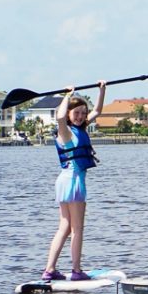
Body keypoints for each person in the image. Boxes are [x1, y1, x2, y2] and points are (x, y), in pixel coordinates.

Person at [42, 81, 107, 282]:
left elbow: (98, 110)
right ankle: (77, 271)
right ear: (69, 113)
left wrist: (102, 89)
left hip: (65, 181)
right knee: (77, 228)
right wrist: (67, 95)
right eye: (76, 113)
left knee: (65, 226)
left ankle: (50, 270)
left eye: (82, 113)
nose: (79, 116)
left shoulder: (81, 127)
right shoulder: (66, 131)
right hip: (73, 181)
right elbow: (60, 116)